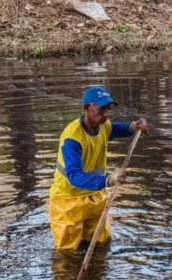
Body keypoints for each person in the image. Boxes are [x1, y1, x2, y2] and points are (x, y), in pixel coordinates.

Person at [48, 86, 148, 250]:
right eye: (102, 109)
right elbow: (74, 176)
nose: (106, 114)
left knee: (102, 243)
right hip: (68, 200)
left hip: (94, 196)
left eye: (108, 109)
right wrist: (108, 179)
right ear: (87, 107)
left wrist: (132, 127)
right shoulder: (72, 138)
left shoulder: (102, 125)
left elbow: (113, 129)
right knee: (67, 253)